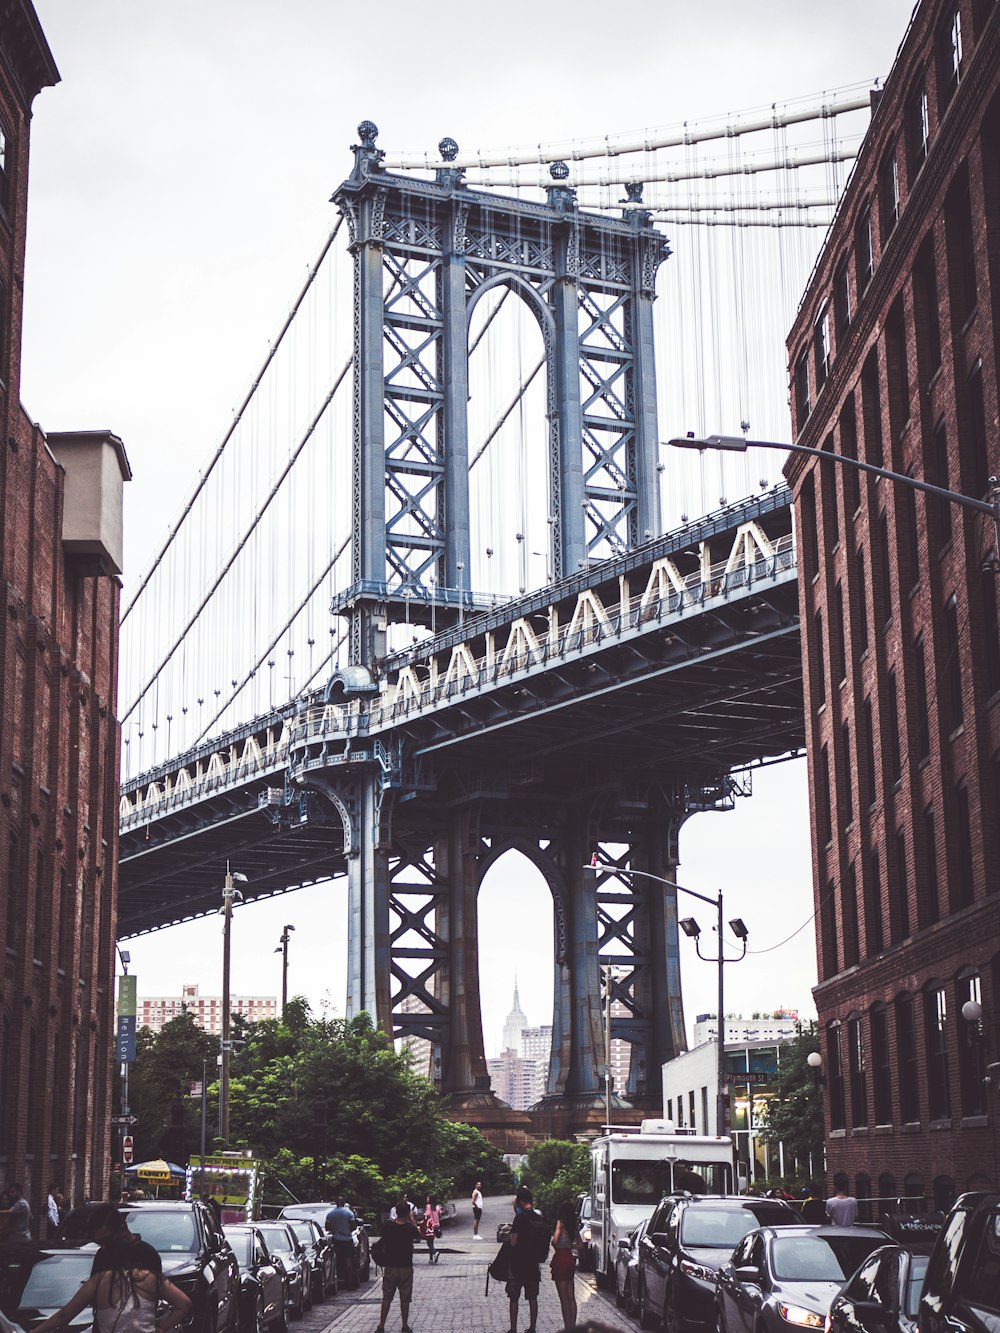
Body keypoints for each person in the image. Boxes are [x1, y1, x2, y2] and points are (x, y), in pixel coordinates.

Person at [32, 1203, 192, 1333]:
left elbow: (65, 1314)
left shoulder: (102, 1276)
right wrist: (161, 1327)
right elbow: (183, 1303)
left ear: (121, 1228)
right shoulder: (148, 1275)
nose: (103, 1245)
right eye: (99, 1241)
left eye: (106, 1240)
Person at [507, 1185, 548, 1333]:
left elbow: (513, 1242)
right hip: (533, 1264)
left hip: (518, 1263)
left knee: (513, 1297)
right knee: (532, 1297)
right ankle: (532, 1327)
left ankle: (513, 1328)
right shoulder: (539, 1218)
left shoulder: (520, 1217)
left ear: (519, 1201)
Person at [375, 1198, 419, 1333]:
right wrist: (412, 1219)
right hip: (405, 1267)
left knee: (387, 1297)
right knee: (405, 1298)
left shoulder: (388, 1225)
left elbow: (382, 1237)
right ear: (407, 1213)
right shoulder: (409, 1227)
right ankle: (405, 1325)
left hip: (390, 1266)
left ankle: (381, 1326)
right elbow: (418, 1236)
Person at [550, 1199, 580, 1330]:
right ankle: (573, 1326)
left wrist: (555, 1242)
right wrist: (570, 1244)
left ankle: (568, 1327)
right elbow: (581, 1245)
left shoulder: (560, 1223)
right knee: (571, 1296)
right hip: (570, 1258)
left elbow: (555, 1240)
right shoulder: (574, 1225)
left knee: (563, 1298)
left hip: (560, 1259)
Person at [325, 1197, 358, 1286]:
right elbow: (353, 1227)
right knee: (348, 1260)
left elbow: (327, 1227)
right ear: (344, 1203)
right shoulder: (349, 1213)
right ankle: (350, 1282)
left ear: (336, 1203)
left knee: (337, 1260)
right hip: (347, 1239)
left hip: (336, 1239)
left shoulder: (331, 1214)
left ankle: (338, 1279)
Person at [420, 1195, 442, 1264]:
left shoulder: (428, 1206)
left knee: (429, 1243)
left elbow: (428, 1214)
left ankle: (435, 1253)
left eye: (428, 1198)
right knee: (431, 1241)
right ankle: (431, 1259)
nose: (427, 1199)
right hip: (436, 1225)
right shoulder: (437, 1206)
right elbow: (440, 1214)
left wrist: (424, 1214)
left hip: (430, 1225)